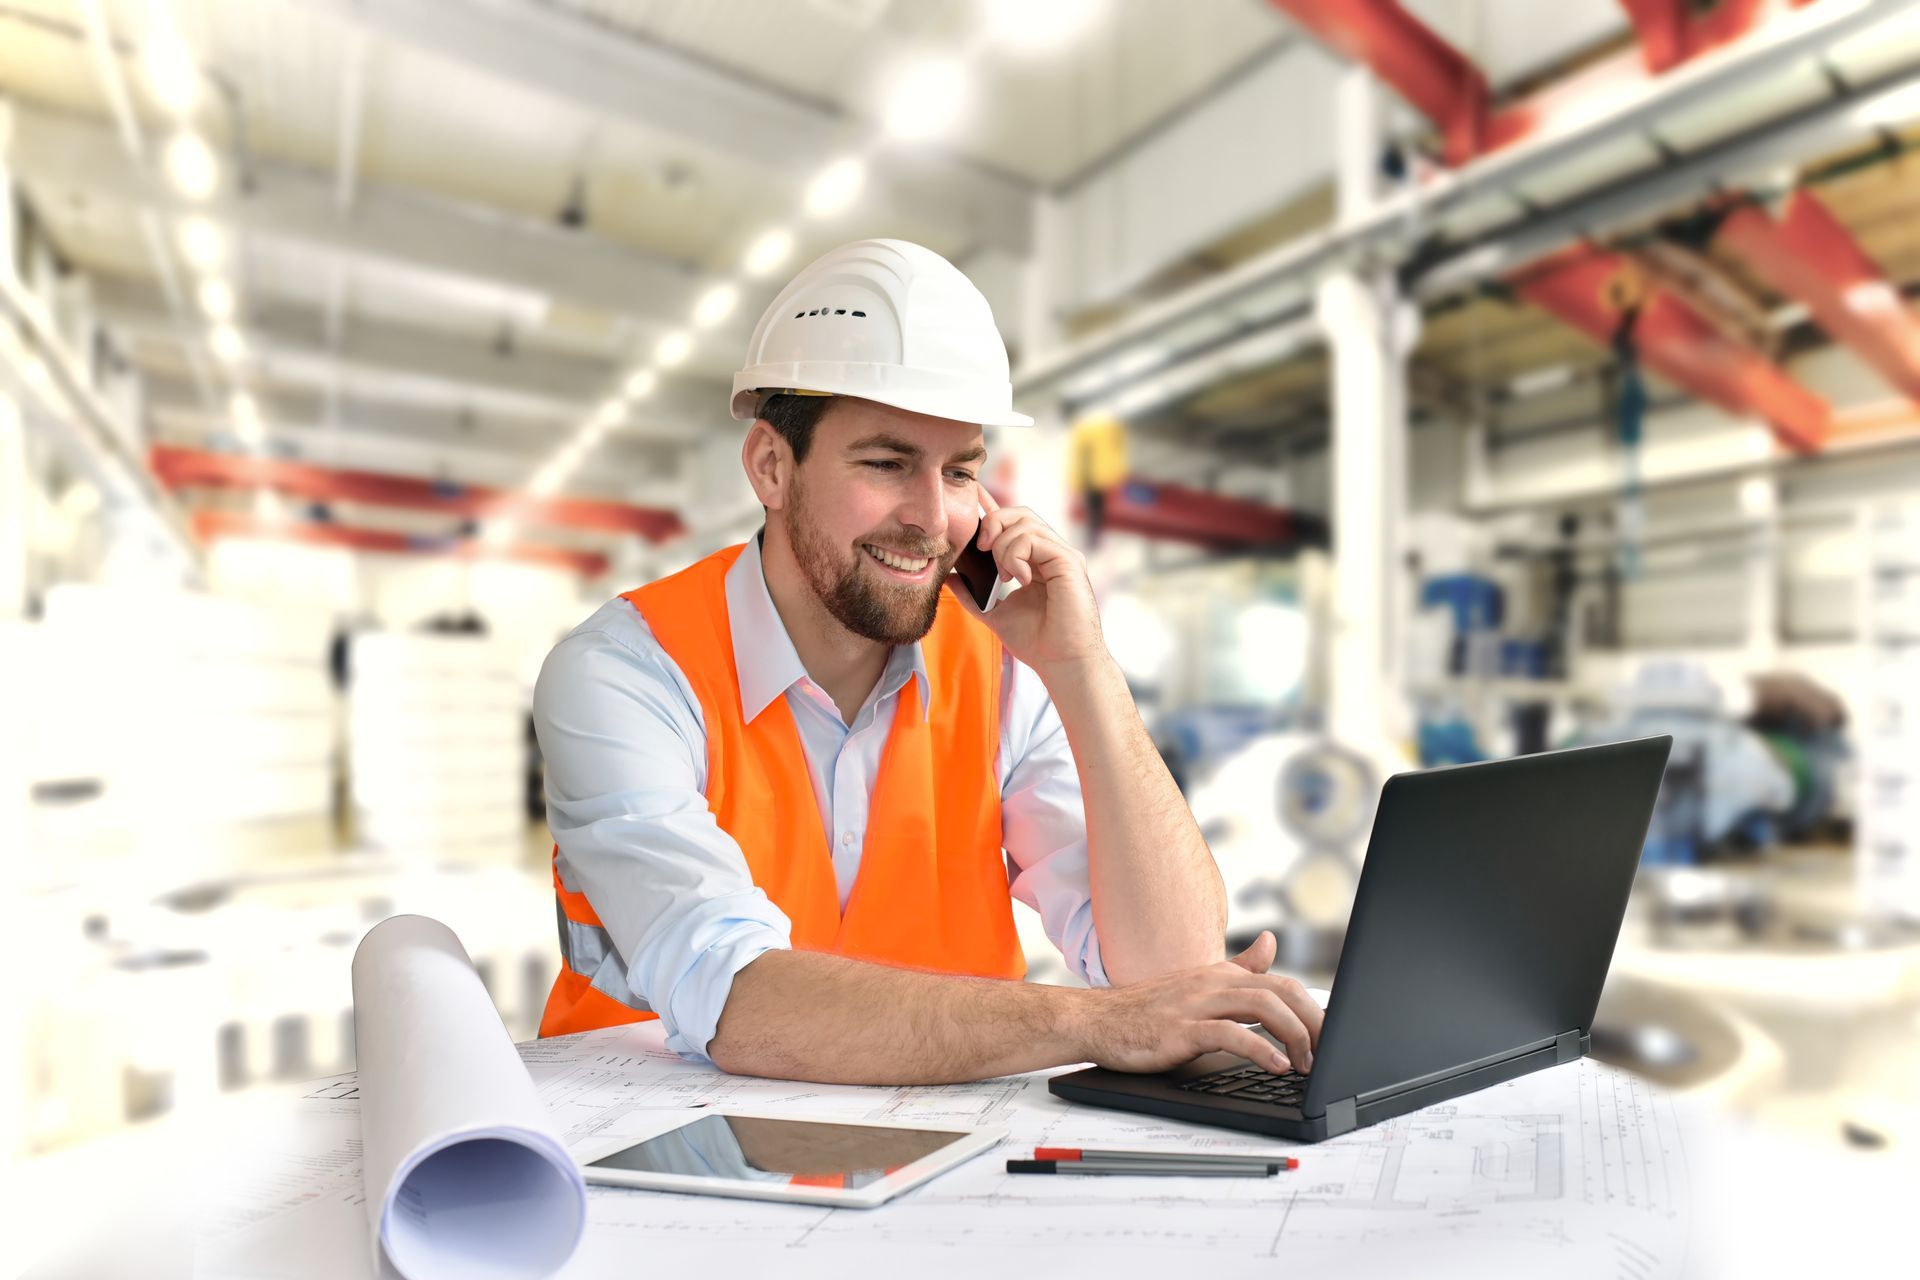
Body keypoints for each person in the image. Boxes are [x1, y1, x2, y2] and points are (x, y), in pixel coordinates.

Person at [533, 239, 1321, 1085]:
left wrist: (1083, 667)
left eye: (959, 472)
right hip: (658, 1155)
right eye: (886, 463)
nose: (933, 517)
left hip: (946, 1164)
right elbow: (736, 1000)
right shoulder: (628, 673)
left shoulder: (1009, 669)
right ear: (771, 465)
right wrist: (1095, 1023)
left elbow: (1171, 973)